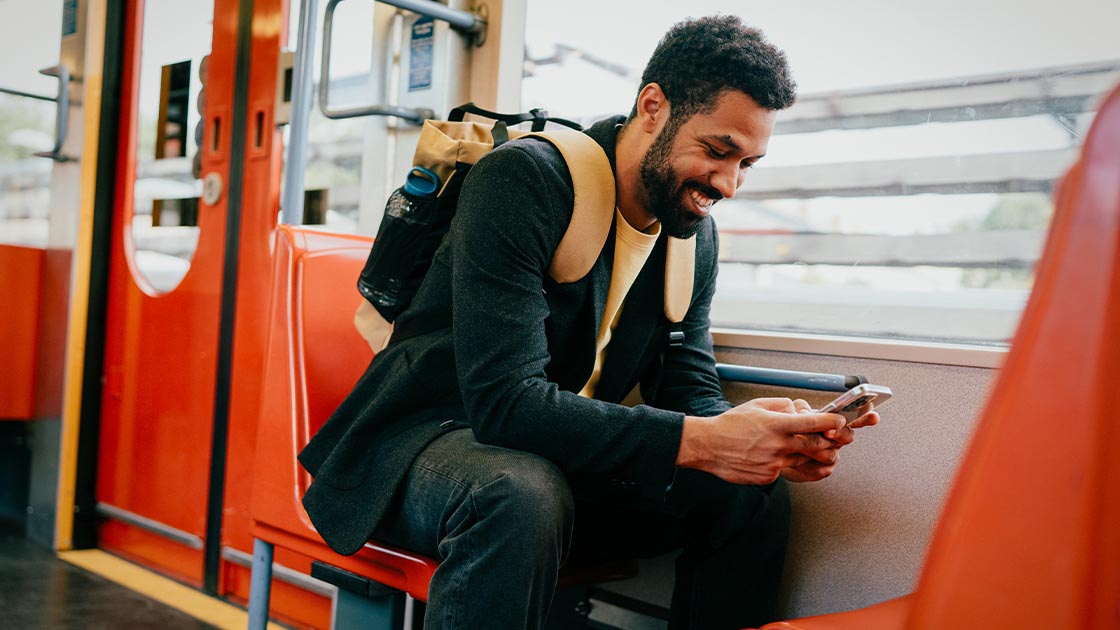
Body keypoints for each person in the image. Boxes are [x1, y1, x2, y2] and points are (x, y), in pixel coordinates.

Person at [299, 14, 879, 630]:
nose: (729, 184)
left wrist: (757, 438)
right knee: (518, 493)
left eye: (748, 164)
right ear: (653, 106)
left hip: (545, 458)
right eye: (717, 151)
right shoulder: (524, 181)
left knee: (749, 498)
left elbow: (685, 385)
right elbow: (505, 406)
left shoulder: (690, 237)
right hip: (423, 444)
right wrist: (702, 442)